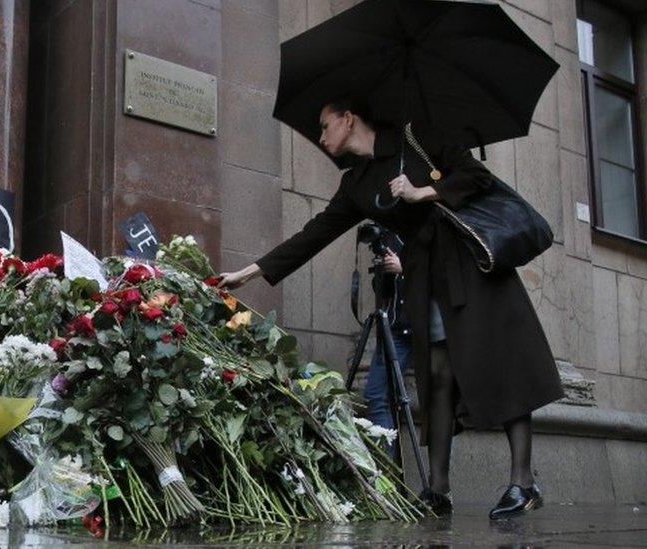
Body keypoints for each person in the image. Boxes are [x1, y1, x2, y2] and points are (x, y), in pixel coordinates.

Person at [219, 98, 564, 519]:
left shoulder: (419, 136)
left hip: (471, 268)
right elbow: (314, 235)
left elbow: (476, 177)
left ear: (349, 119)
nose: (322, 136)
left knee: (501, 366)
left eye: (326, 125)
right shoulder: (356, 184)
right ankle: (437, 490)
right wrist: (249, 273)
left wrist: (424, 191)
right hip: (425, 277)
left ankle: (523, 482)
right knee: (437, 377)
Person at [363, 240, 413, 458]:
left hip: (426, 328)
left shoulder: (432, 224)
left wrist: (405, 269)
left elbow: (445, 273)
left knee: (442, 405)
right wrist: (387, 271)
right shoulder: (392, 237)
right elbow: (382, 290)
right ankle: (384, 473)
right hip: (395, 327)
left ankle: (439, 486)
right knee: (376, 394)